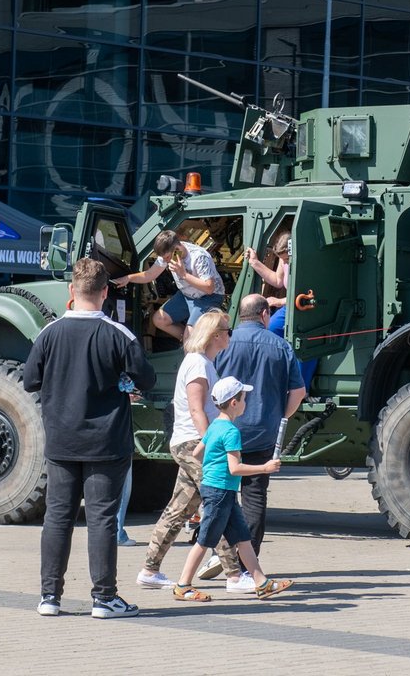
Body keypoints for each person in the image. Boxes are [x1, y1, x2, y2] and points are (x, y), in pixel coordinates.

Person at [23, 258, 156, 618]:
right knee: (101, 518)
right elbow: (147, 379)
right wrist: (123, 383)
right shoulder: (118, 334)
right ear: (105, 292)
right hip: (106, 443)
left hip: (62, 441)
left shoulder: (48, 333)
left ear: (72, 291)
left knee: (57, 517)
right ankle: (104, 598)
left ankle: (49, 597)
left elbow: (30, 380)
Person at [136, 310, 248, 592]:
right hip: (194, 443)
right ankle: (235, 575)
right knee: (220, 503)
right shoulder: (199, 364)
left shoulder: (203, 362)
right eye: (226, 329)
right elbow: (198, 410)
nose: (230, 334)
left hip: (189, 443)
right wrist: (211, 445)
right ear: (216, 335)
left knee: (179, 508)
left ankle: (150, 569)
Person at [171, 377, 294, 602]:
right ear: (234, 403)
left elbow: (198, 453)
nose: (246, 402)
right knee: (205, 540)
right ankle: (183, 585)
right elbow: (235, 468)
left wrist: (212, 466)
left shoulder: (215, 426)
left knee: (243, 537)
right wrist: (264, 468)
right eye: (244, 398)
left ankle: (261, 583)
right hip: (219, 492)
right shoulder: (231, 432)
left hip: (218, 490)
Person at [214, 294, 305, 572]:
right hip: (263, 433)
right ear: (265, 314)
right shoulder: (281, 346)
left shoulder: (224, 344)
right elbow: (298, 391)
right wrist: (280, 417)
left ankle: (219, 555)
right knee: (254, 500)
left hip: (226, 428)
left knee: (220, 495)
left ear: (240, 314)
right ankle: (245, 566)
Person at [112, 229, 225, 341]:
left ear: (176, 249)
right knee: (159, 319)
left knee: (189, 335)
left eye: (167, 258)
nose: (166, 261)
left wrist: (183, 274)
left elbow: (209, 288)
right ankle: (190, 342)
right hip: (187, 295)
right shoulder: (169, 255)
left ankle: (192, 343)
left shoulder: (199, 257)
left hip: (208, 297)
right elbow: (150, 275)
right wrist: (128, 278)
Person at [245, 231, 317, 390]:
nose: (284, 262)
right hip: (289, 307)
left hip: (306, 306)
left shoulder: (306, 260)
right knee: (269, 330)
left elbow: (305, 293)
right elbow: (278, 280)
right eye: (282, 259)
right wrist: (255, 262)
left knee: (305, 342)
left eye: (286, 259)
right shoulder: (283, 259)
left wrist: (279, 301)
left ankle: (301, 388)